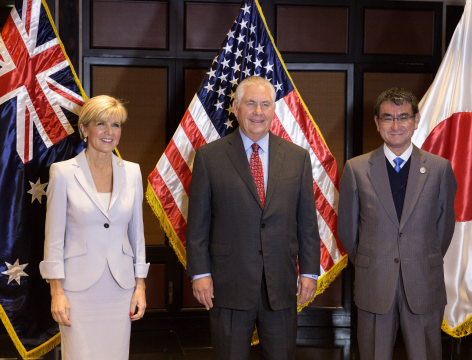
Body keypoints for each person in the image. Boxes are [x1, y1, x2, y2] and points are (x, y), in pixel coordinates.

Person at [186, 76, 320, 359]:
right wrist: (200, 273)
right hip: (228, 285)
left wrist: (309, 271)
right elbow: (198, 224)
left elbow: (307, 221)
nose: (258, 112)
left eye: (265, 104)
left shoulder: (297, 158)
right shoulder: (209, 157)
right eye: (250, 104)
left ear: (273, 110)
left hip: (281, 285)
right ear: (236, 108)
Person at [337, 88, 457, 360]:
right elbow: (347, 229)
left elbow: (444, 228)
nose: (396, 125)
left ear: (416, 120)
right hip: (375, 283)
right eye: (388, 118)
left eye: (403, 117)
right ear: (377, 123)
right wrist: (372, 259)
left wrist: (422, 257)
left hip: (423, 282)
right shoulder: (356, 169)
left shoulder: (439, 169)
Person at [39, 95, 150, 360]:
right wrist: (57, 293)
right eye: (102, 124)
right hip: (77, 291)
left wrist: (140, 287)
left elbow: (137, 235)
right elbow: (53, 239)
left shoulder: (132, 172)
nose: (110, 132)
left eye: (116, 125)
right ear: (85, 129)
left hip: (120, 289)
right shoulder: (63, 172)